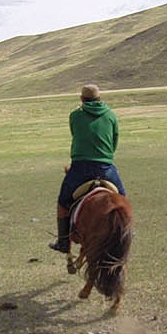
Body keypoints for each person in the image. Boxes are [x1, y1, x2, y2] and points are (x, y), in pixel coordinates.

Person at [51, 84, 125, 253]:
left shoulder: (76, 116)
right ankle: (126, 230)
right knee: (122, 200)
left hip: (81, 168)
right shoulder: (111, 115)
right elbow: (114, 142)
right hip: (106, 168)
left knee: (63, 201)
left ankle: (63, 242)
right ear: (100, 98)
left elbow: (75, 134)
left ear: (82, 99)